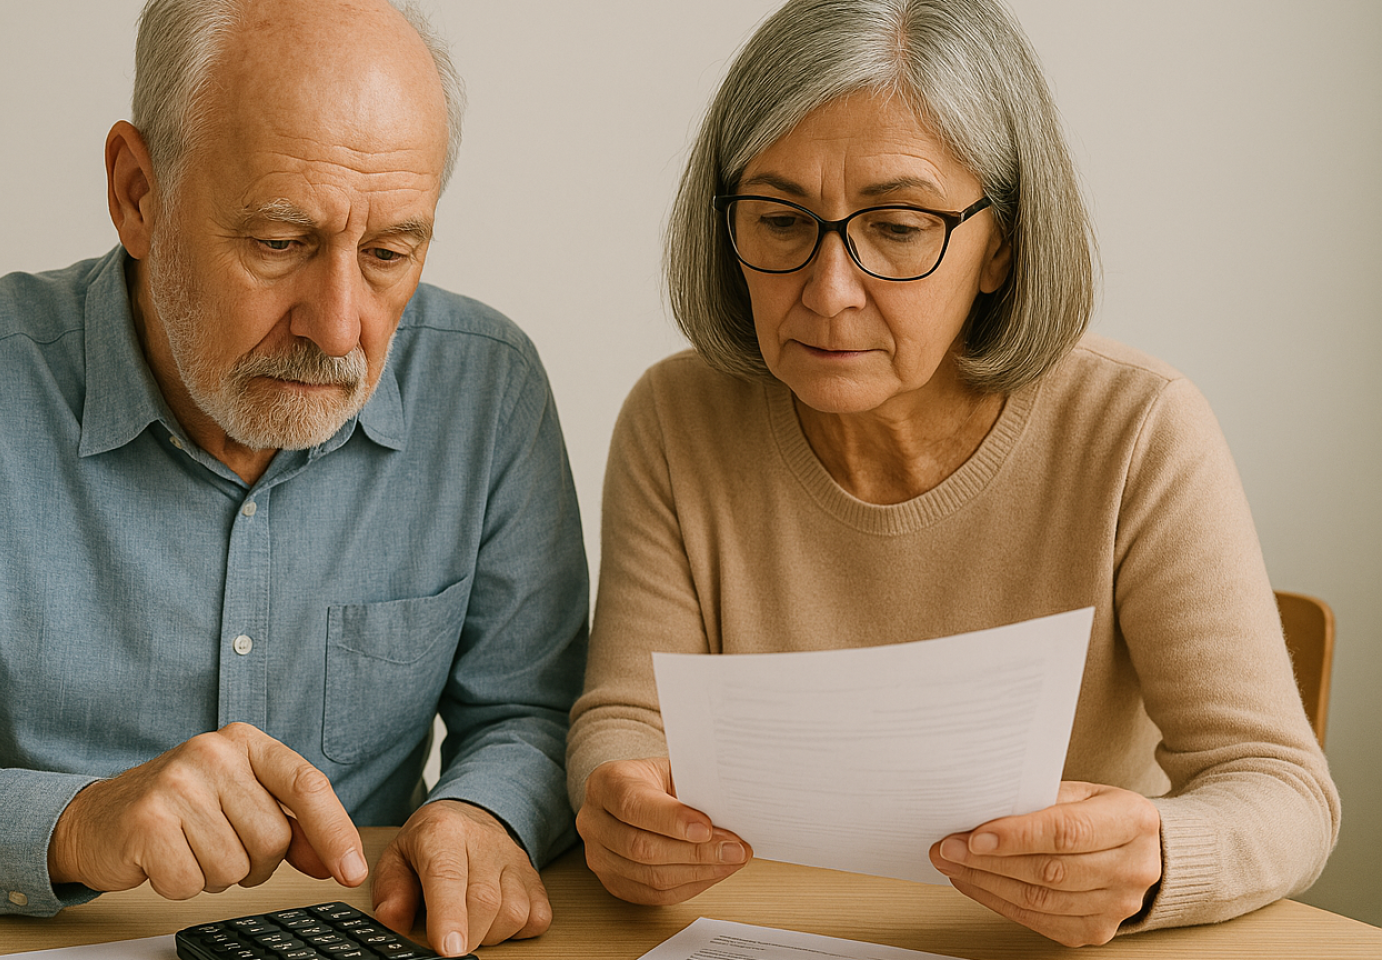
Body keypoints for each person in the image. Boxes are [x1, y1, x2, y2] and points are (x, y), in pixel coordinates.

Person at [0, 1, 587, 956]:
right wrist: (73, 823)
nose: (340, 327)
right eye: (279, 244)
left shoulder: (487, 386)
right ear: (136, 192)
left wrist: (484, 816)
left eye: (391, 253)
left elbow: (534, 715)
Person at [565, 0, 1338, 948]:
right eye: (778, 220)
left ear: (1001, 245)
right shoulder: (676, 418)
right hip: (756, 936)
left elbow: (1282, 788)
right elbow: (625, 722)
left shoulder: (1137, 427)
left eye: (896, 226)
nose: (828, 288)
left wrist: (1155, 862)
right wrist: (621, 803)